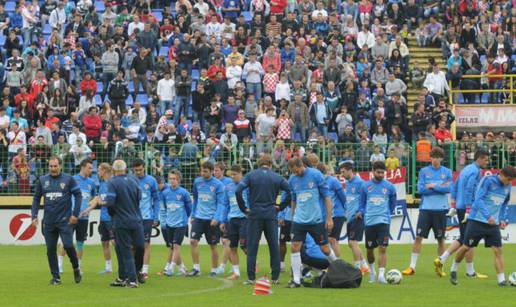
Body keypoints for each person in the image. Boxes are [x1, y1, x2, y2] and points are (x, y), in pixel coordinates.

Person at [449, 166, 516, 286]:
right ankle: (453, 269)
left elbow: (504, 203)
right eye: (508, 179)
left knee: (498, 250)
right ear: (501, 174)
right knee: (466, 247)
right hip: (477, 220)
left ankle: (501, 280)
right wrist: (488, 216)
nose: (509, 182)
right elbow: (478, 200)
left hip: (493, 224)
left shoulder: (508, 186)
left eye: (511, 180)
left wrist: (501, 219)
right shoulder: (488, 181)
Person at [235, 154, 291, 285]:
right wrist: (280, 207)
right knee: (273, 246)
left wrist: (244, 208)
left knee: (252, 246)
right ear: (270, 164)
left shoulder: (251, 175)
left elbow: (238, 191)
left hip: (255, 214)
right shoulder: (277, 177)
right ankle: (275, 277)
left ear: (259, 164)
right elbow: (290, 192)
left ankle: (251, 278)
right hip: (271, 214)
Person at [434, 149, 490, 279]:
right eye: (486, 160)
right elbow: (470, 189)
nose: (487, 162)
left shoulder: (466, 169)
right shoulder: (476, 171)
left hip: (460, 207)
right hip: (467, 209)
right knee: (468, 239)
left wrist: (453, 204)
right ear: (480, 158)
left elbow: (454, 185)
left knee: (466, 238)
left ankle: (447, 261)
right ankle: (444, 260)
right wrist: (469, 209)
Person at [286, 157, 337, 288]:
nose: (295, 174)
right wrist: (293, 217)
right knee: (294, 247)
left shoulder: (315, 175)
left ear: (301, 165)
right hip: (299, 220)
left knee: (325, 249)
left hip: (316, 220)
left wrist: (329, 218)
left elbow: (327, 197)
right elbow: (293, 199)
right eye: (293, 172)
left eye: (296, 171)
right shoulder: (292, 179)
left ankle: (338, 268)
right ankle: (296, 280)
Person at [31, 156, 83, 285]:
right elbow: (36, 199)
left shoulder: (68, 179)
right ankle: (56, 278)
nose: (53, 169)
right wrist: (34, 215)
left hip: (65, 220)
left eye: (55, 166)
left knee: (68, 245)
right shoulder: (42, 180)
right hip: (48, 222)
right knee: (50, 249)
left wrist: (75, 214)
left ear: (60, 166)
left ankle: (76, 267)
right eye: (50, 166)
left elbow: (78, 195)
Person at [402, 147, 452, 276]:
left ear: (441, 158)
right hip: (426, 209)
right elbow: (421, 190)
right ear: (430, 158)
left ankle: (440, 267)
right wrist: (439, 187)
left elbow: (449, 189)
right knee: (418, 237)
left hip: (441, 209)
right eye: (433, 157)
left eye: (438, 157)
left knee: (440, 239)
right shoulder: (424, 171)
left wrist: (433, 186)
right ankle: (412, 267)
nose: (435, 159)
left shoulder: (447, 172)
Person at [104, 160, 145, 288]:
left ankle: (132, 280)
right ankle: (126, 276)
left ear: (113, 170)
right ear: (126, 168)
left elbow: (110, 203)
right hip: (136, 219)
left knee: (125, 250)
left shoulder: (112, 182)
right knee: (139, 247)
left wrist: (114, 215)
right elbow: (139, 198)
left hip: (121, 221)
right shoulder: (134, 180)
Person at [357, 161, 397, 284]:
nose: (380, 174)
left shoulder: (389, 186)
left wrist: (387, 213)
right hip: (369, 222)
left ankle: (381, 275)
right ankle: (372, 272)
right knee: (370, 249)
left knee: (383, 247)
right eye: (378, 172)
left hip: (383, 221)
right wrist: (361, 212)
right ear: (373, 171)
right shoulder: (365, 186)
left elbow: (393, 202)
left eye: (382, 172)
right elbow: (362, 203)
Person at [57, 158, 96, 273]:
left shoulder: (92, 183)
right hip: (71, 216)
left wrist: (88, 208)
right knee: (65, 241)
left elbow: (93, 197)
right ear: (83, 167)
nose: (91, 170)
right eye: (89, 168)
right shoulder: (72, 180)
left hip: (84, 218)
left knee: (80, 243)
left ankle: (78, 266)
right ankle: (59, 265)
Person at [188, 161, 225, 277]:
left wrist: (217, 218)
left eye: (205, 171)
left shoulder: (218, 185)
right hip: (199, 217)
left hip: (212, 220)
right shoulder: (197, 182)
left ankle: (214, 270)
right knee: (193, 241)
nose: (202, 173)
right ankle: (196, 269)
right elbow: (196, 199)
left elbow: (221, 203)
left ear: (212, 171)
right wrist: (193, 215)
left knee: (213, 245)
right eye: (201, 171)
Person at [80, 163, 115, 274]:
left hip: (112, 219)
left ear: (104, 170)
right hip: (103, 219)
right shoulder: (102, 184)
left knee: (116, 243)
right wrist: (87, 210)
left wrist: (102, 203)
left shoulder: (113, 184)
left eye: (99, 170)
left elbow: (114, 202)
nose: (97, 172)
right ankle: (108, 267)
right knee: (104, 243)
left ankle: (125, 265)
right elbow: (97, 200)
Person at [339, 161, 369, 273]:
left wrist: (361, 211)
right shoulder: (348, 183)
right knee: (351, 244)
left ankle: (357, 269)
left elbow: (366, 198)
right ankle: (364, 265)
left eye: (343, 172)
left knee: (353, 243)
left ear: (350, 170)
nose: (342, 174)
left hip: (357, 217)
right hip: (350, 217)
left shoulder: (360, 183)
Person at [160, 170, 192, 277]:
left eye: (174, 179)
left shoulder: (184, 193)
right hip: (169, 223)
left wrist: (184, 219)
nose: (172, 181)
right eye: (170, 179)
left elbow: (189, 209)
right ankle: (182, 267)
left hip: (180, 224)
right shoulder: (165, 193)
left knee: (176, 246)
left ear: (178, 180)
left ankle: (171, 268)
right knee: (172, 247)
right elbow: (165, 206)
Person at [132, 158, 160, 279]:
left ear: (144, 167)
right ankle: (133, 268)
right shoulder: (131, 180)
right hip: (132, 216)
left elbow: (156, 199)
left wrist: (156, 216)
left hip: (147, 217)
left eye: (140, 170)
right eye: (136, 170)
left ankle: (144, 270)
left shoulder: (151, 180)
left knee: (145, 244)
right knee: (133, 245)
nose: (138, 172)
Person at [220, 164, 248, 280]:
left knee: (244, 245)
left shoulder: (247, 186)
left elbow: (251, 201)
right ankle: (236, 272)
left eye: (235, 174)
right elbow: (226, 204)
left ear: (241, 174)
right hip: (232, 220)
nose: (233, 177)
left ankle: (253, 262)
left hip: (244, 219)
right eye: (231, 174)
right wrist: (223, 220)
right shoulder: (228, 187)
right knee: (232, 247)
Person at [316, 162, 347, 258]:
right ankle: (332, 264)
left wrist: (344, 211)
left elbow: (343, 197)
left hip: (337, 214)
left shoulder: (333, 181)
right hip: (325, 216)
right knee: (327, 241)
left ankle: (338, 265)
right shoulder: (317, 182)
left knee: (332, 240)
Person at [213, 162, 234, 275]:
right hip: (218, 215)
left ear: (222, 171)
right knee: (225, 242)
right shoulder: (213, 183)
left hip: (227, 216)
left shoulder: (229, 182)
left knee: (227, 241)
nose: (215, 172)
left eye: (217, 170)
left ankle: (222, 266)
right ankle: (234, 265)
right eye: (214, 170)